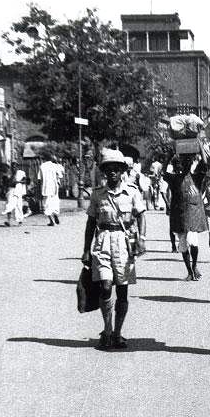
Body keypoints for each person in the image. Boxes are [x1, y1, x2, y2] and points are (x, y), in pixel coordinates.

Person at [81, 148, 147, 349]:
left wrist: (142, 238)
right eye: (108, 169)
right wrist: (85, 250)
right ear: (103, 172)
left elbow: (141, 215)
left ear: (122, 171)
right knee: (105, 286)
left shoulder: (132, 192)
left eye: (116, 169)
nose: (112, 172)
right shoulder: (97, 195)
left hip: (124, 242)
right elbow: (91, 223)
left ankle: (118, 333)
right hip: (102, 242)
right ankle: (107, 330)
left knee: (123, 290)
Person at [166, 153, 210, 281]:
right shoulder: (175, 178)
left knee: (193, 243)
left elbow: (206, 165)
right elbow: (164, 173)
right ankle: (189, 271)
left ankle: (194, 265)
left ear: (191, 164)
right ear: (181, 165)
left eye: (188, 162)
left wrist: (201, 149)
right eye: (183, 163)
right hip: (180, 215)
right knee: (184, 244)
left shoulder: (197, 178)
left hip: (193, 215)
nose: (186, 165)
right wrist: (169, 156)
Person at [39, 153, 64, 226]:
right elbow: (60, 176)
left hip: (46, 188)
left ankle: (51, 221)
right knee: (55, 202)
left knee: (47, 204)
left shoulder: (42, 166)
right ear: (51, 159)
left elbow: (39, 178)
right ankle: (55, 214)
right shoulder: (55, 166)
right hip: (54, 188)